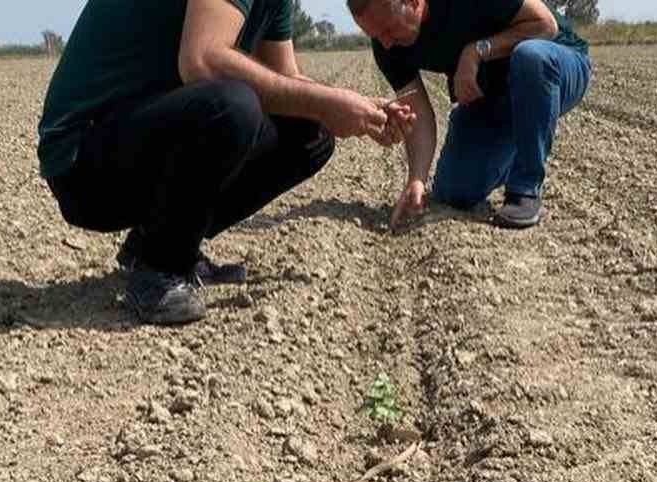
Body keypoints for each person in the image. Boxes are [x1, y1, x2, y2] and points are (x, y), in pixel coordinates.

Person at [38, 0, 415, 325]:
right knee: (231, 106)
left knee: (310, 132)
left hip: (138, 140)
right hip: (82, 162)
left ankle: (160, 238)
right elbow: (202, 61)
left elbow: (286, 77)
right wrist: (326, 103)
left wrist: (360, 109)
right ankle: (160, 268)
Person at [348, 0, 591, 229]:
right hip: (492, 95)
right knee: (455, 191)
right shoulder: (386, 44)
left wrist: (476, 51)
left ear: (412, 2)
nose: (386, 43)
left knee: (530, 56)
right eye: (376, 35)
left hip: (555, 65)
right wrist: (416, 179)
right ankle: (523, 137)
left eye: (389, 30)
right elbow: (417, 111)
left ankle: (524, 190)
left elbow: (545, 25)